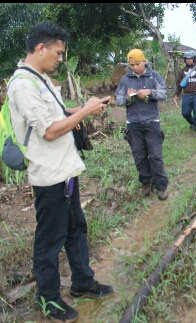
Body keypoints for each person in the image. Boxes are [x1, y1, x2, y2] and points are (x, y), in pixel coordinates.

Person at [8, 21, 113, 322]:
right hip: (49, 176)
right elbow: (50, 132)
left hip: (65, 171)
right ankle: (49, 299)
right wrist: (84, 111)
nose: (59, 58)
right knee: (49, 240)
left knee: (76, 229)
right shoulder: (22, 85)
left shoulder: (39, 78)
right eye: (57, 52)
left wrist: (83, 108)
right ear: (40, 48)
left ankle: (82, 282)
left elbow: (56, 116)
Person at [115, 48, 170, 199]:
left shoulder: (154, 76)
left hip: (152, 122)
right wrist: (127, 97)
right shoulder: (125, 80)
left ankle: (161, 186)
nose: (135, 67)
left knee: (155, 155)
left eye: (137, 64)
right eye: (131, 65)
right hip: (133, 123)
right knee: (139, 156)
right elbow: (117, 99)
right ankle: (147, 183)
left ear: (144, 62)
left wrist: (150, 92)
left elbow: (164, 93)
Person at [173, 50, 196, 137]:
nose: (188, 60)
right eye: (187, 59)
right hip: (187, 94)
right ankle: (193, 123)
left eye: (190, 59)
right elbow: (179, 84)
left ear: (194, 59)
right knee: (185, 113)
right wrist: (176, 94)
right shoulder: (183, 71)